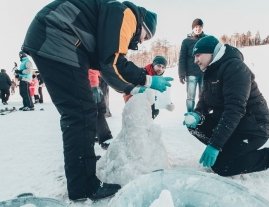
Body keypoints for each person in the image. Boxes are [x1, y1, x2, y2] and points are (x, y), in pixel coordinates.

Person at [22, 0, 173, 201]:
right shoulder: (127, 15)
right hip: (58, 35)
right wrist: (148, 79)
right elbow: (112, 63)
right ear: (142, 26)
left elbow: (106, 66)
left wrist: (131, 88)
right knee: (80, 113)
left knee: (81, 112)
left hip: (52, 36)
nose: (141, 42)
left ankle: (83, 172)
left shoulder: (115, 15)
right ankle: (84, 186)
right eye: (145, 36)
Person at [183, 35, 269, 182]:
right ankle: (227, 150)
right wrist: (197, 115)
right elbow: (204, 101)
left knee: (222, 166)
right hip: (235, 125)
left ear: (212, 52)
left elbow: (234, 109)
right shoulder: (210, 72)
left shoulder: (235, 68)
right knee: (194, 125)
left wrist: (215, 145)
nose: (195, 60)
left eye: (198, 55)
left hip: (254, 127)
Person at [178, 18, 206, 112]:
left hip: (204, 73)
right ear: (193, 28)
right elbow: (182, 58)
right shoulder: (186, 41)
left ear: (202, 28)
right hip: (191, 74)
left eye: (200, 26)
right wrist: (181, 74)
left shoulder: (207, 39)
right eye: (196, 27)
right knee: (190, 97)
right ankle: (190, 115)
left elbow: (212, 56)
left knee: (204, 97)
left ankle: (202, 114)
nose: (198, 28)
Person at [88, 69, 113, 149]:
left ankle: (95, 134)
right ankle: (106, 139)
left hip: (98, 77)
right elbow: (91, 67)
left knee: (96, 108)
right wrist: (94, 84)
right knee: (98, 110)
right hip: (94, 79)